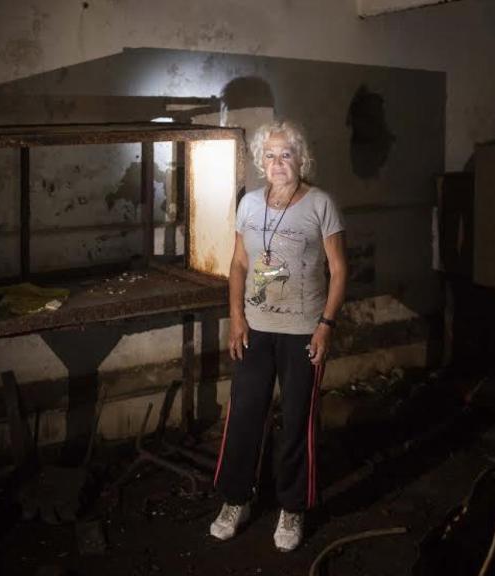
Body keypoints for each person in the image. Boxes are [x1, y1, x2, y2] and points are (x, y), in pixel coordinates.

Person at [209, 119, 347, 551]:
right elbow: (238, 265)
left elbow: (340, 271)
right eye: (269, 155)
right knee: (244, 415)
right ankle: (236, 499)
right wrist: (236, 317)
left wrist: (325, 325)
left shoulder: (320, 204)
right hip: (255, 329)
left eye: (285, 154)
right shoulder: (249, 204)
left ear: (300, 158)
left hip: (303, 332)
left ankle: (291, 507)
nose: (277, 163)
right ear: (259, 162)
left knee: (296, 422)